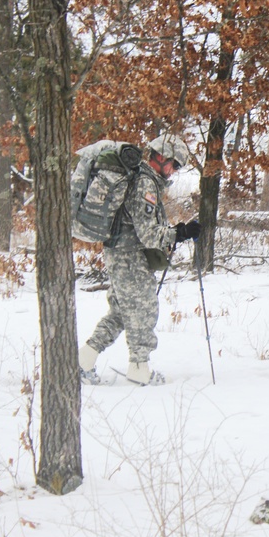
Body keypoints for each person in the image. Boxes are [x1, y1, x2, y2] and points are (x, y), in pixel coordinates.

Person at [78, 135, 201, 386]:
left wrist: (176, 231)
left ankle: (83, 361)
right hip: (129, 257)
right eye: (174, 165)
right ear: (161, 157)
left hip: (120, 254)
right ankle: (139, 369)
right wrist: (180, 233)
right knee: (144, 311)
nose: (174, 171)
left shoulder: (143, 179)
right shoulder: (145, 184)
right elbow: (147, 234)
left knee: (121, 313)